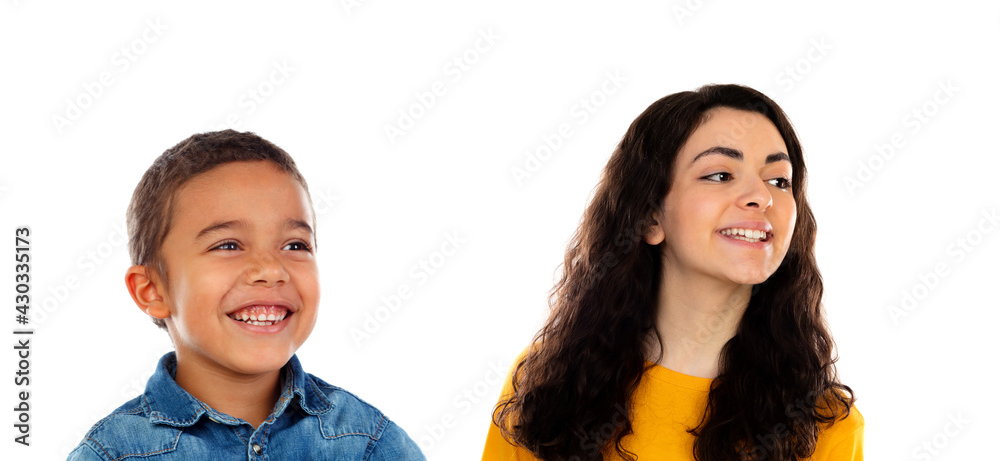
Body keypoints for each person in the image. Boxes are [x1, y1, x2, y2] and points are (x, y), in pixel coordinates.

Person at [482, 85, 864, 460]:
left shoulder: (825, 426)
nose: (762, 196)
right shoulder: (546, 387)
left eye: (779, 180)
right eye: (719, 175)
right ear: (650, 216)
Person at [68, 130, 425, 460]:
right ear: (152, 290)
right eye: (228, 245)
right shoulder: (113, 454)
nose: (271, 269)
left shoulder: (367, 443)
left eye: (295, 244)